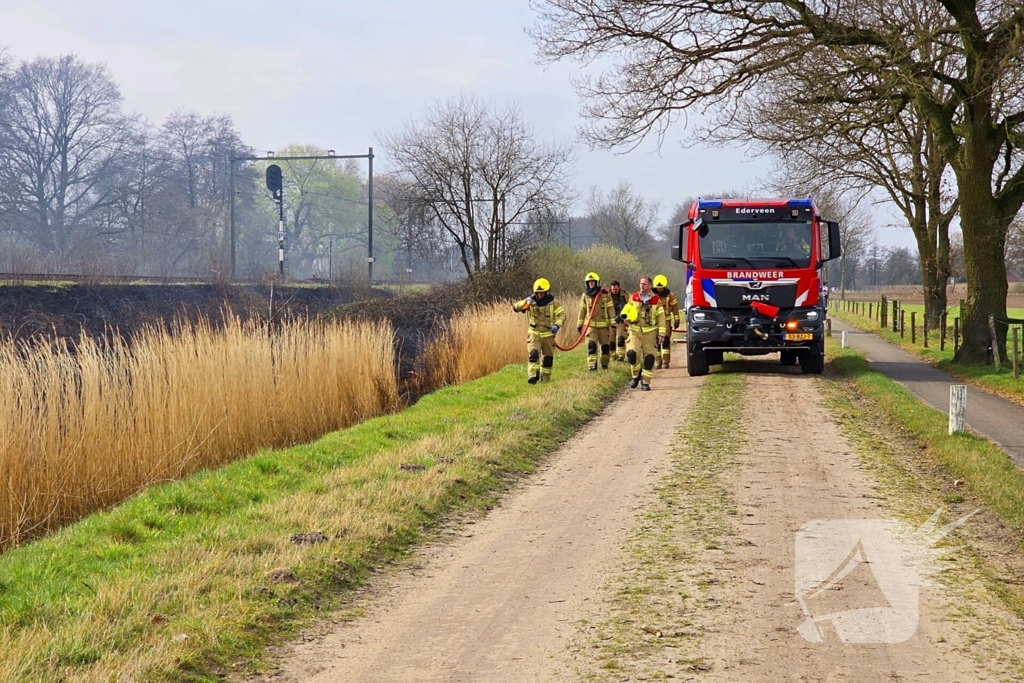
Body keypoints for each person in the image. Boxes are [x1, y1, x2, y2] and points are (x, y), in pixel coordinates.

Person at [512, 278, 565, 384]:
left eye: (542, 293)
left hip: (548, 334)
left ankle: (545, 379)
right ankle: (532, 376)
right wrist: (525, 302)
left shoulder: (554, 303)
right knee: (534, 354)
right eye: (538, 293)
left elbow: (562, 315)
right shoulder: (530, 302)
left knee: (548, 359)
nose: (540, 295)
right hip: (534, 333)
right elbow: (515, 307)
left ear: (546, 292)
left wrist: (557, 325)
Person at [618, 276, 666, 391]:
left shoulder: (656, 300)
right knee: (631, 354)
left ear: (650, 286)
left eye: (644, 284)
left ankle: (646, 382)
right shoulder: (633, 297)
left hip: (650, 333)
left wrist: (661, 334)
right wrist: (624, 318)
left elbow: (661, 318)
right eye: (640, 283)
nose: (642, 286)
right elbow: (628, 311)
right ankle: (636, 374)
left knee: (649, 359)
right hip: (635, 331)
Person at [577, 272, 615, 371]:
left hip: (603, 326)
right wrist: (580, 325)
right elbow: (582, 311)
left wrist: (613, 323)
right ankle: (592, 367)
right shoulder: (585, 295)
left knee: (605, 348)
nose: (591, 284)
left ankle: (604, 365)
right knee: (591, 346)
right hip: (590, 326)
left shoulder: (605, 294)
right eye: (589, 282)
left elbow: (611, 309)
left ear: (597, 282)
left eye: (593, 282)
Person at [652, 274, 679, 369]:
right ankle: (657, 362)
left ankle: (666, 362)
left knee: (665, 341)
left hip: (666, 321)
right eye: (658, 288)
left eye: (661, 287)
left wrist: (677, 320)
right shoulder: (652, 295)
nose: (660, 289)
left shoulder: (670, 295)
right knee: (656, 343)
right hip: (654, 322)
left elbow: (675, 308)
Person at [608, 280, 628, 361]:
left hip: (621, 320)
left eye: (616, 289)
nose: (614, 291)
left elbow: (628, 306)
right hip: (611, 320)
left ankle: (621, 355)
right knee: (611, 340)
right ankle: (612, 356)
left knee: (620, 338)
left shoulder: (624, 295)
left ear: (619, 287)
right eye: (613, 289)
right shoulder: (607, 295)